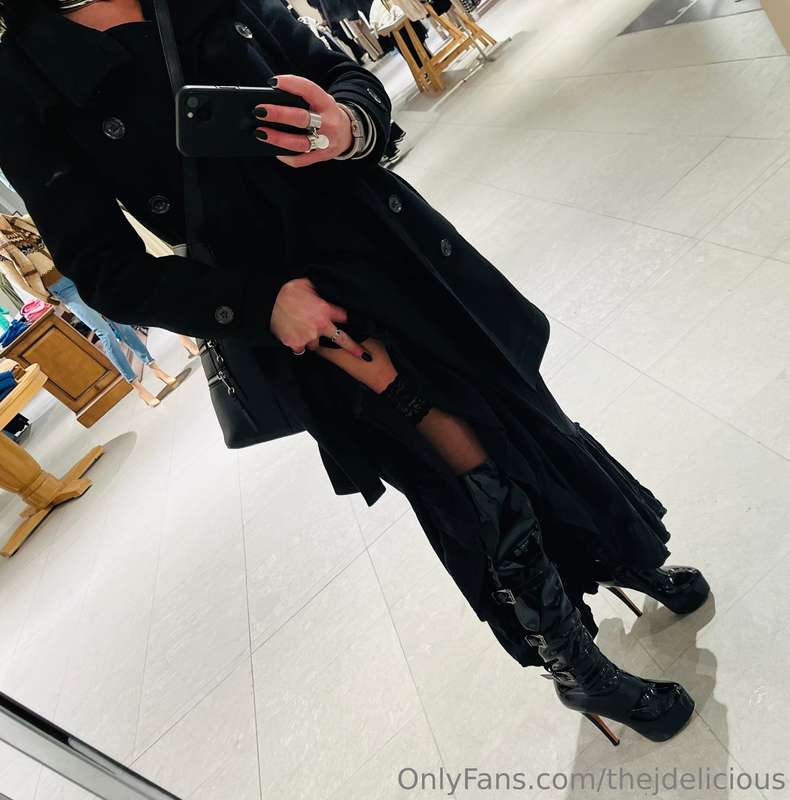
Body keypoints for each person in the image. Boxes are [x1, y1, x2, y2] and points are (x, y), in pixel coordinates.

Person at [0, 0, 709, 744]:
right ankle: (571, 659)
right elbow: (105, 270)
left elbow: (338, 71)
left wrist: (347, 122)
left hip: (394, 245)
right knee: (460, 459)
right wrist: (262, 305)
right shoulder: (23, 76)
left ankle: (613, 548)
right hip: (302, 309)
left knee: (520, 405)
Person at [0, 213, 178, 406]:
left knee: (120, 321)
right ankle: (137, 386)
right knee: (105, 333)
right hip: (62, 289)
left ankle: (153, 366)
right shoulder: (2, 250)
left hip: (78, 273)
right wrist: (50, 300)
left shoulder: (23, 221)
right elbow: (19, 283)